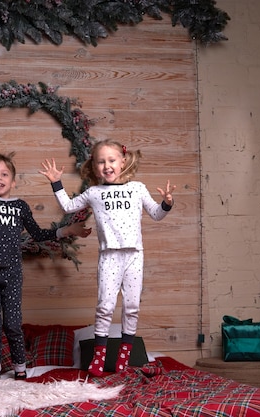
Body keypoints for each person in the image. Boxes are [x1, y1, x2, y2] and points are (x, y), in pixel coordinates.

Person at [0, 151, 91, 380]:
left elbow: (39, 234)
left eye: (4, 174)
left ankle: (20, 368)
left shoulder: (20, 207)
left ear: (13, 180)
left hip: (12, 274)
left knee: (12, 324)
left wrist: (67, 230)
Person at [39, 139, 175, 377]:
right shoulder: (94, 193)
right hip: (109, 257)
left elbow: (156, 214)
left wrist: (166, 203)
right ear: (94, 166)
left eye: (112, 160)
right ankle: (98, 360)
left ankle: (123, 359)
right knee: (105, 306)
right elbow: (69, 206)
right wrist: (56, 182)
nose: (107, 165)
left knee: (131, 307)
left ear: (123, 161)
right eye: (101, 162)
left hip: (134, 256)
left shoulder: (137, 188)